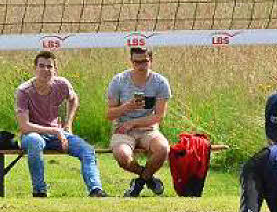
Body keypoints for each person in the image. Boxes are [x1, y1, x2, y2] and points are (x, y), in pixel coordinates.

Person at [14, 51, 106, 198]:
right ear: (34, 68)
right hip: (33, 134)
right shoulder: (23, 91)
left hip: (59, 134)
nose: (45, 70)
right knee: (35, 141)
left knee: (87, 150)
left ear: (55, 70)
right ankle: (39, 190)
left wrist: (68, 123)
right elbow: (24, 126)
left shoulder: (62, 84)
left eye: (49, 67)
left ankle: (95, 189)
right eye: (41, 66)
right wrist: (55, 131)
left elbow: (74, 99)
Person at [105, 46, 171, 197]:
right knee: (122, 156)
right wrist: (127, 107)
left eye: (144, 62)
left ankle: (138, 184)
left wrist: (134, 123)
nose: (141, 66)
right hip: (123, 129)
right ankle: (149, 179)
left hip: (148, 129)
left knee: (163, 149)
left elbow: (159, 116)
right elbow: (109, 114)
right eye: (137, 62)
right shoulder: (119, 81)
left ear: (151, 61)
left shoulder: (160, 83)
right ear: (131, 62)